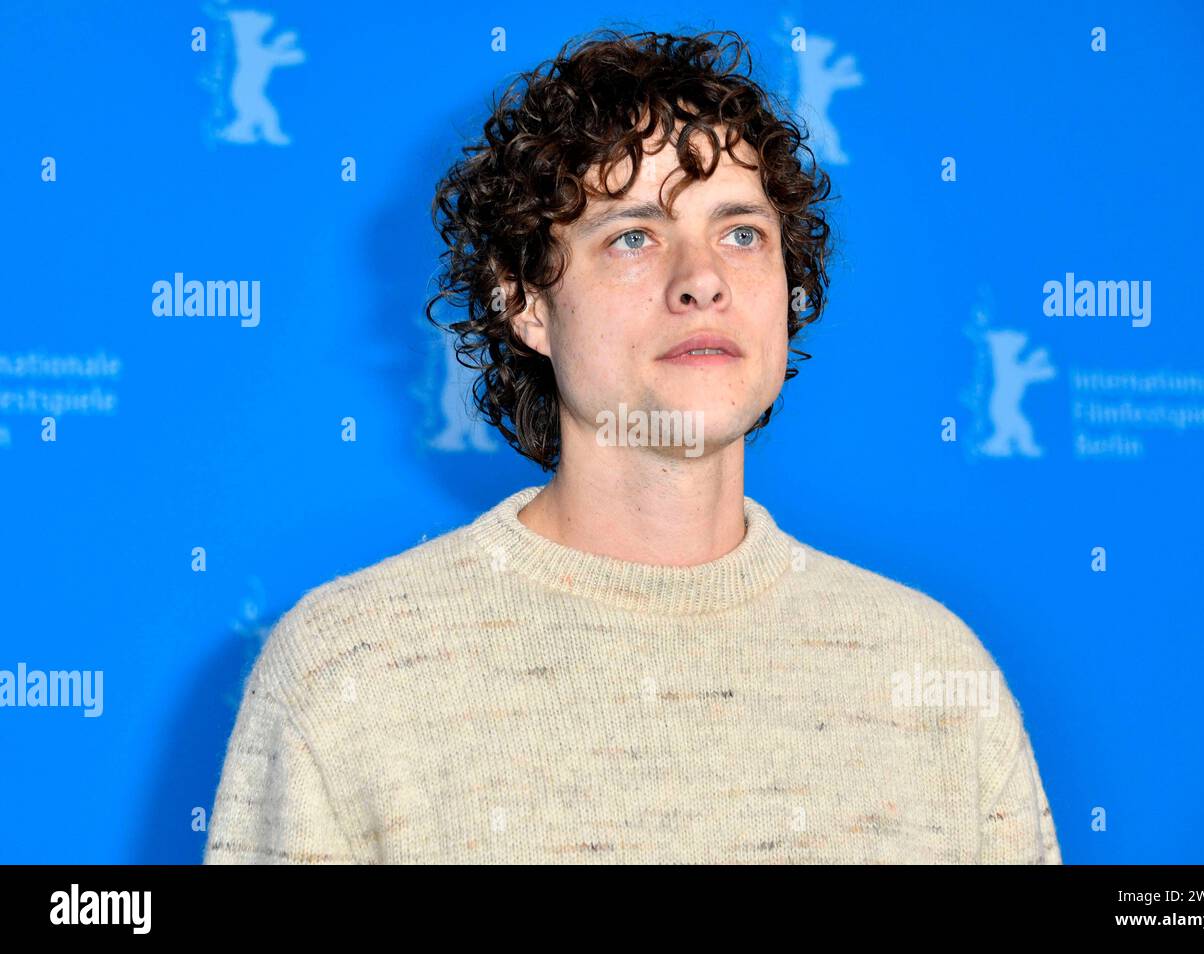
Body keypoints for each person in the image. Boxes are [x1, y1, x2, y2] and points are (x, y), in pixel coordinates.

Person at [203, 28, 1061, 864]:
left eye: (741, 233)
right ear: (527, 304)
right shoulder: (352, 674)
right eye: (633, 236)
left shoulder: (933, 675)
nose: (701, 280)